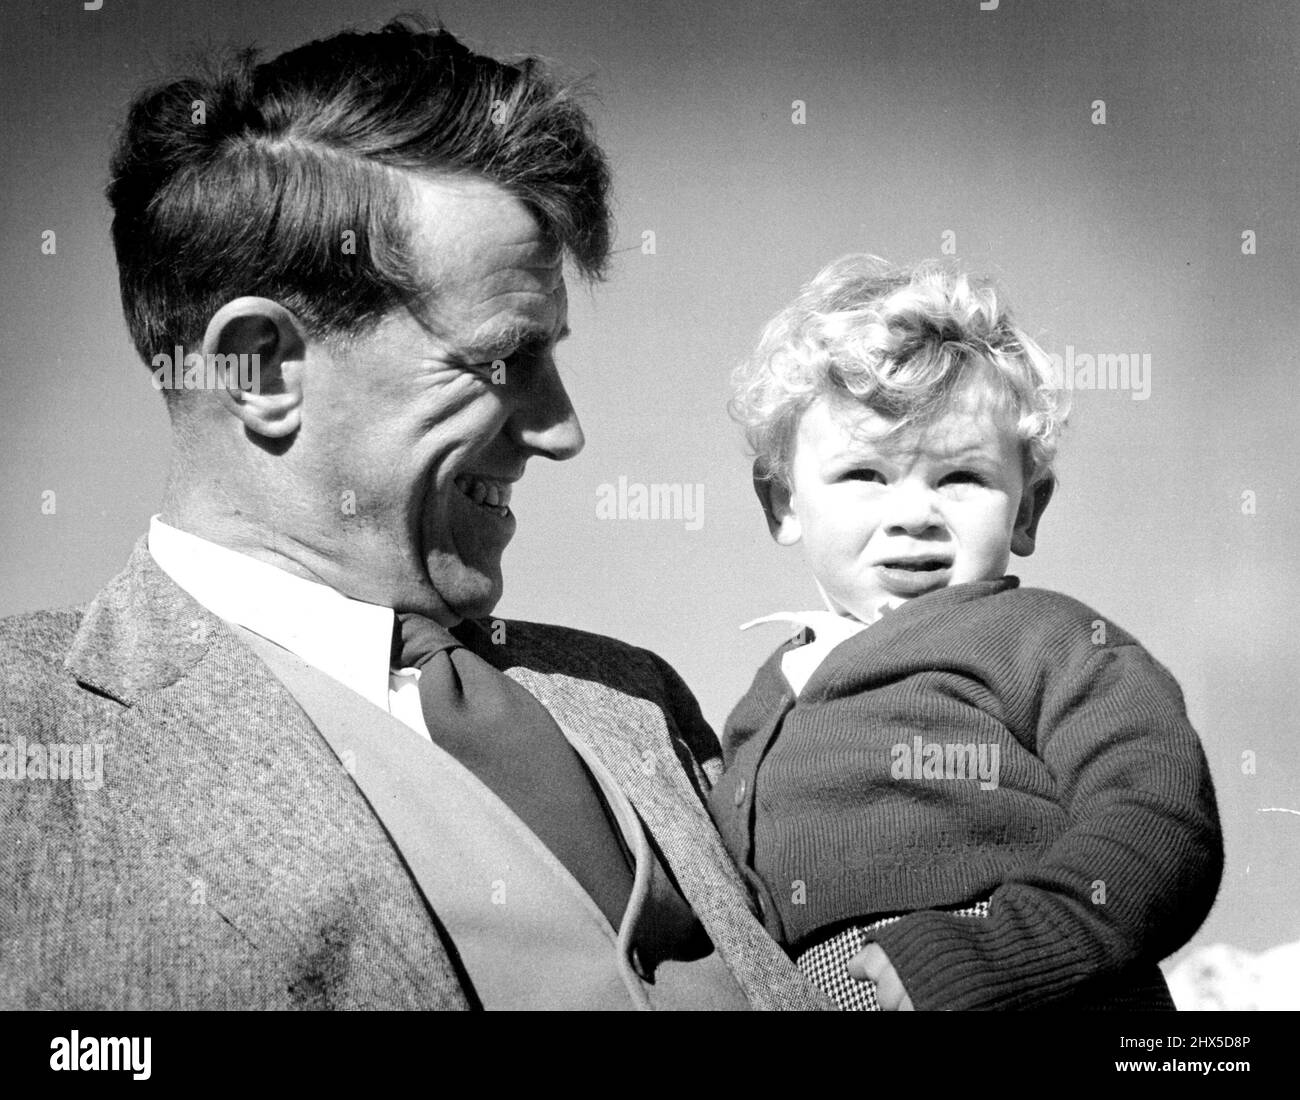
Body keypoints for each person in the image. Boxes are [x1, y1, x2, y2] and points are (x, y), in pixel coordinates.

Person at [0, 18, 827, 1011]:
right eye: (503, 356)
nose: (563, 431)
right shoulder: (29, 741)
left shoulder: (637, 694)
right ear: (262, 368)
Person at [708, 255, 1223, 1010]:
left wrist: (998, 954)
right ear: (782, 501)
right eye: (864, 475)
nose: (914, 514)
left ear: (1025, 510)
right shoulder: (761, 706)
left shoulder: (1051, 640)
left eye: (961, 478)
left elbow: (1161, 819)